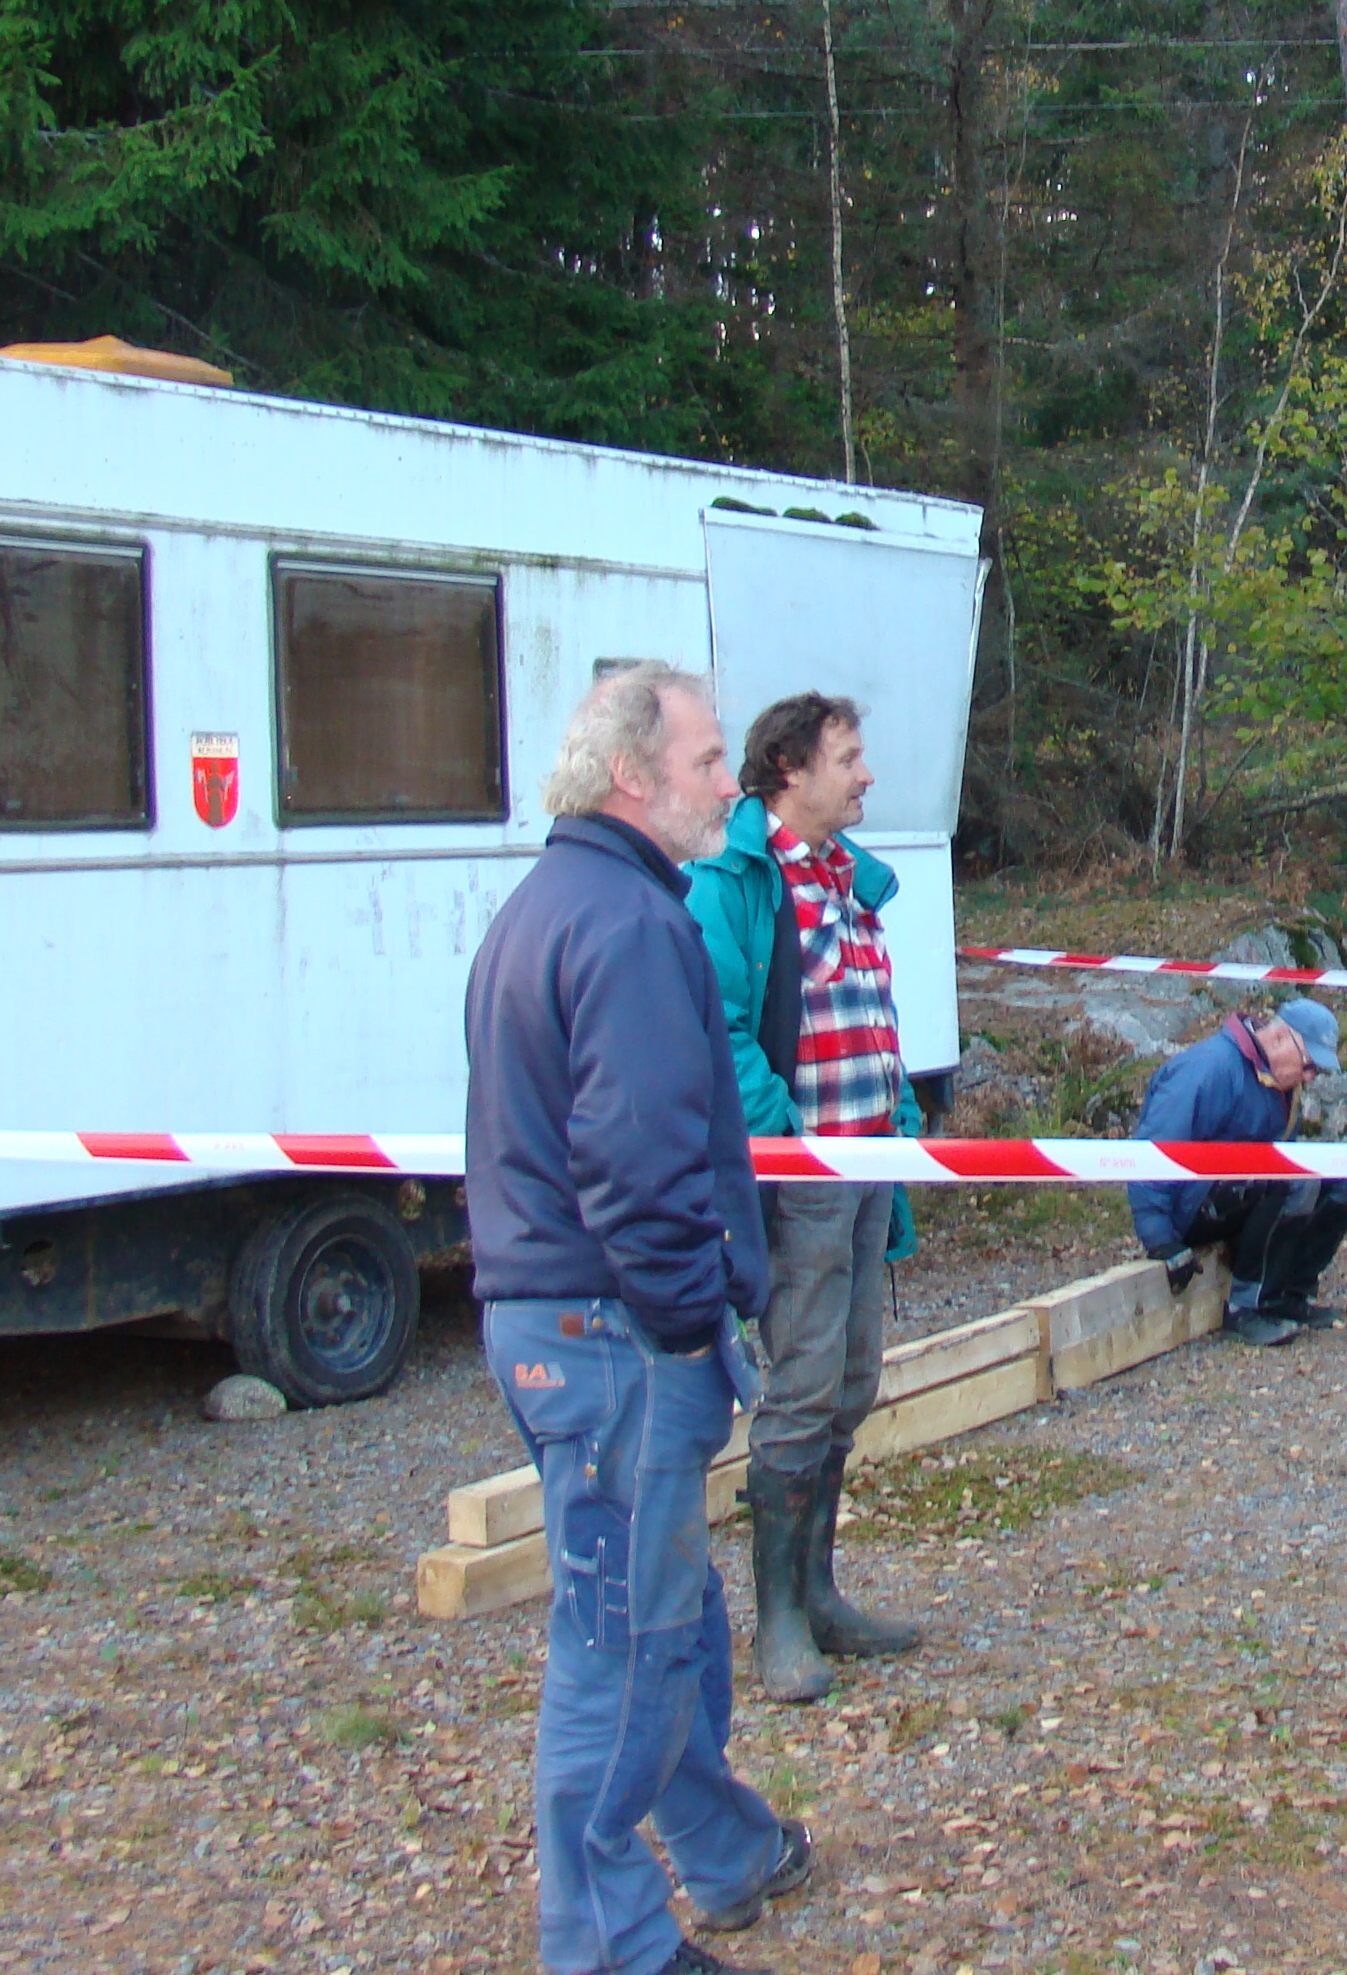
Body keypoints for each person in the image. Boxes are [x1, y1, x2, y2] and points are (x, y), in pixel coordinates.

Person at [464, 662, 811, 1975]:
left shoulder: (550, 907)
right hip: (610, 1338)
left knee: (665, 1612)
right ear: (631, 775)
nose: (730, 784)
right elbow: (636, 1162)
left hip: (568, 1328)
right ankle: (607, 1946)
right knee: (621, 1639)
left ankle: (723, 1848)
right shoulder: (629, 927)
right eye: (710, 760)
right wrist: (684, 1322)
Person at [685, 691, 927, 1705]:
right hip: (806, 1177)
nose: (866, 775)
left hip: (867, 1167)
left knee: (853, 1379)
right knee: (800, 1385)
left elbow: (871, 1018)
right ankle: (778, 1622)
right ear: (790, 770)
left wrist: (904, 1122)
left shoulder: (843, 876)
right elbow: (719, 1027)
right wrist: (785, 1144)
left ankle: (819, 1596)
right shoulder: (736, 882)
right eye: (849, 758)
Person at [1125, 999, 1347, 1347]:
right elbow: (1150, 1153)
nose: (1309, 1077)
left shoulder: (1278, 1083)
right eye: (1309, 1066)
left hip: (1242, 1196)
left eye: (1316, 1072)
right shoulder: (1208, 1069)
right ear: (1279, 1038)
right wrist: (1160, 1240)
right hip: (1192, 1207)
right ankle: (1245, 1307)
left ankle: (1291, 1294)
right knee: (1287, 1178)